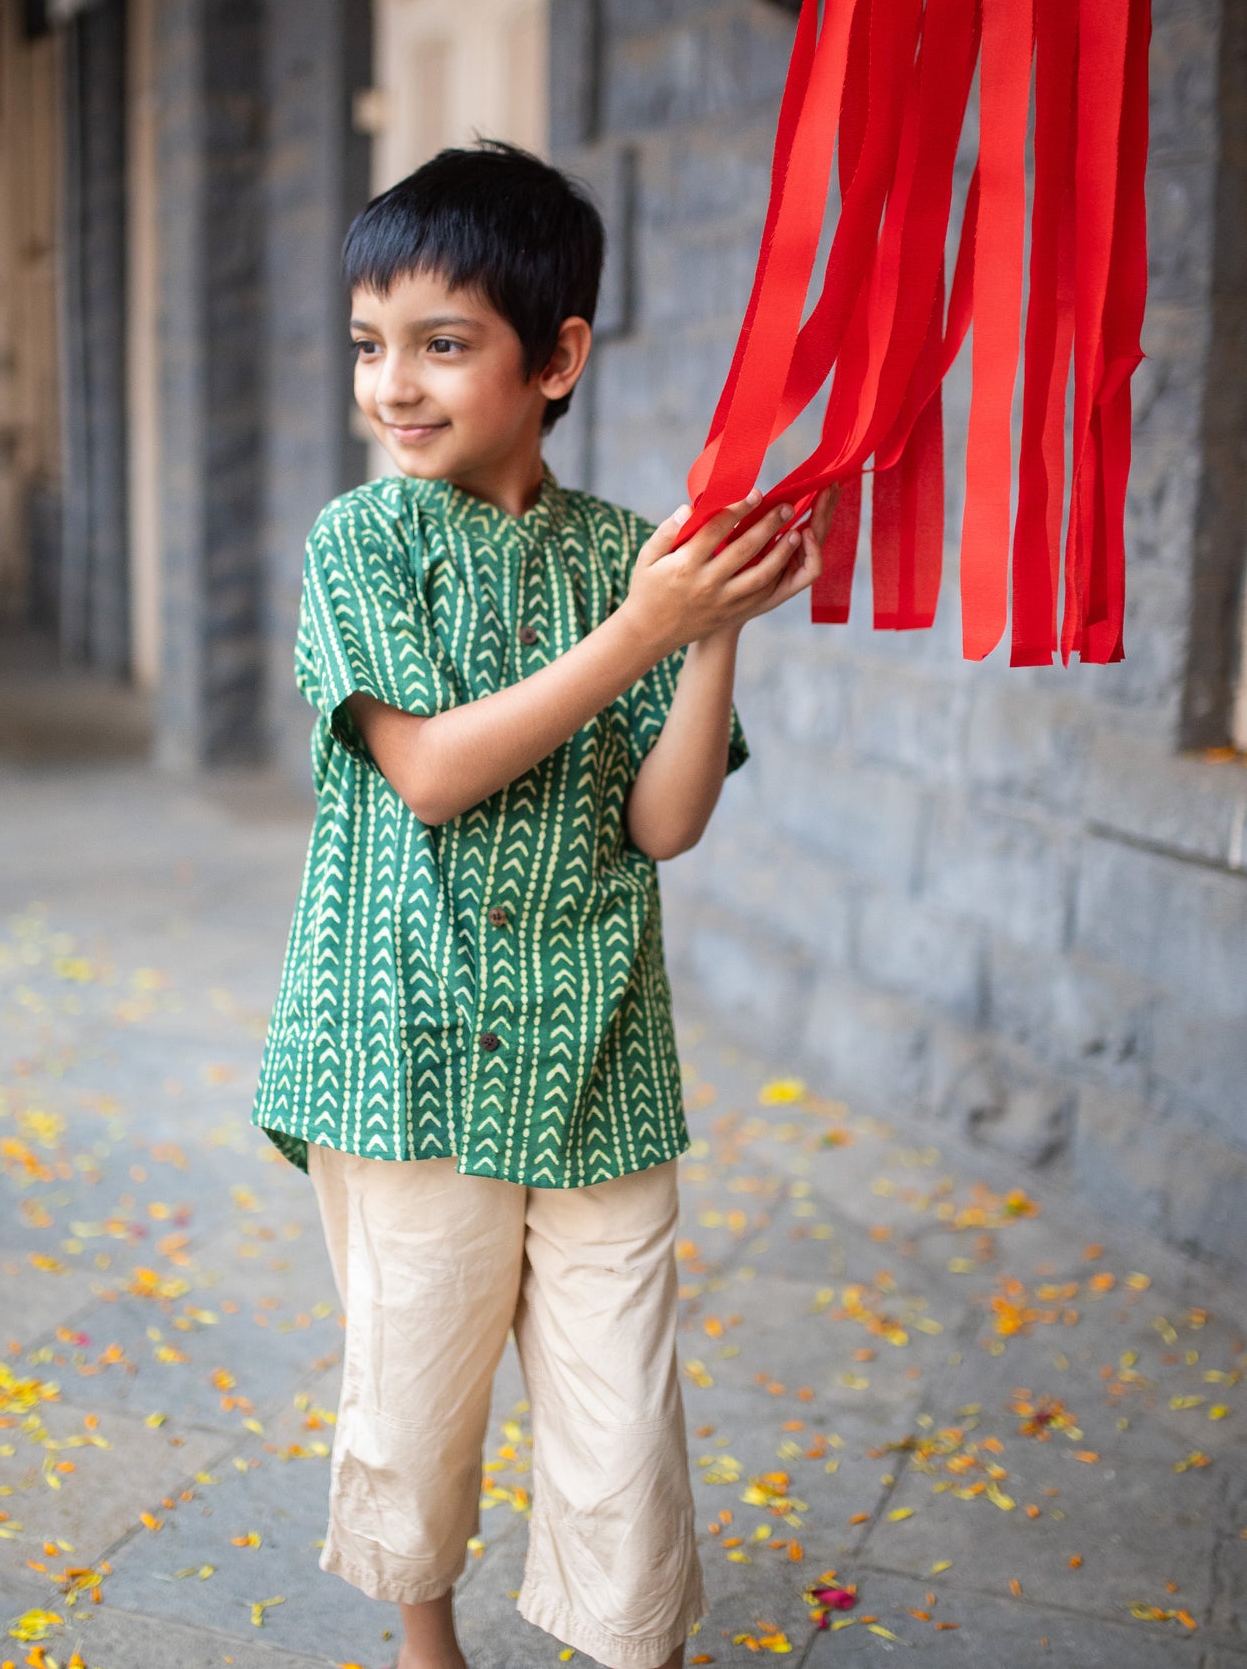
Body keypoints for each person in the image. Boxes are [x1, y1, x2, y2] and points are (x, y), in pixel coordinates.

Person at [251, 140, 837, 1669]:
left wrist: (709, 633)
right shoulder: (358, 541)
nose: (396, 383)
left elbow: (665, 820)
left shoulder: (625, 555)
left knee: (621, 1411)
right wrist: (646, 626)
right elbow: (433, 773)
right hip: (403, 1057)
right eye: (373, 343)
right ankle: (425, 1645)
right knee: (417, 1389)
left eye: (444, 343)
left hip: (598, 1054)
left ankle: (631, 1643)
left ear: (556, 355)